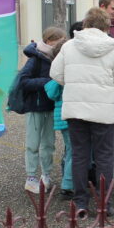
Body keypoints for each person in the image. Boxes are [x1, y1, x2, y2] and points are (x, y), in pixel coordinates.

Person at [50, 8, 114, 215]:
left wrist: (74, 83)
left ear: (86, 23)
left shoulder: (69, 46)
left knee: (79, 155)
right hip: (102, 110)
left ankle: (80, 203)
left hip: (75, 108)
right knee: (104, 156)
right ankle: (105, 204)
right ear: (106, 26)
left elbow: (55, 73)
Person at [20, 26, 66, 195]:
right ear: (49, 41)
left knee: (48, 143)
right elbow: (23, 81)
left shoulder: (58, 58)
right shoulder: (35, 58)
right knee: (32, 143)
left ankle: (46, 175)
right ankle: (31, 177)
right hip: (35, 106)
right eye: (58, 42)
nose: (60, 45)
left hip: (51, 106)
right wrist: (47, 82)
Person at [44, 39, 73, 200]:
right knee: (74, 150)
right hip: (68, 117)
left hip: (61, 118)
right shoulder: (65, 73)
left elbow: (51, 93)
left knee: (70, 149)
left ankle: (67, 178)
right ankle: (68, 185)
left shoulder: (58, 72)